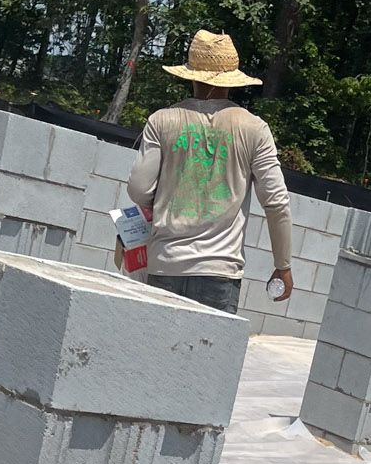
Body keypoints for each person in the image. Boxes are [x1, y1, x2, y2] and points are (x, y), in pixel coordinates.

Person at [125, 29, 293, 313]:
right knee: (208, 357)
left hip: (165, 264)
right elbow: (276, 203)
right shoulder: (255, 129)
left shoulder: (162, 120)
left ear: (190, 74)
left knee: (156, 355)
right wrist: (283, 266)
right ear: (232, 79)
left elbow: (139, 190)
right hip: (220, 272)